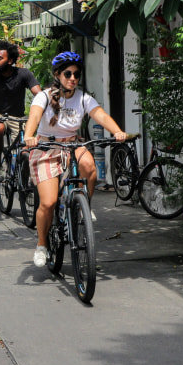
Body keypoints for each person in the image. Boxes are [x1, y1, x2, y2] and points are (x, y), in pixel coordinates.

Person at [24, 51, 128, 267]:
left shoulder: (83, 98)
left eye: (76, 75)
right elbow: (34, 116)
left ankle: (82, 205)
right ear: (57, 75)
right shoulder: (43, 96)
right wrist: (28, 136)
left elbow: (100, 115)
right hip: (46, 147)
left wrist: (118, 131)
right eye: (68, 74)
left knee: (89, 166)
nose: (73, 78)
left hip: (73, 143)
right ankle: (42, 245)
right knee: (49, 202)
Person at [0, 40, 41, 181]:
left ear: (10, 61)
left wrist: (47, 110)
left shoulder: (24, 74)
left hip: (18, 117)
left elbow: (39, 94)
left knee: (26, 149)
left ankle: (25, 184)